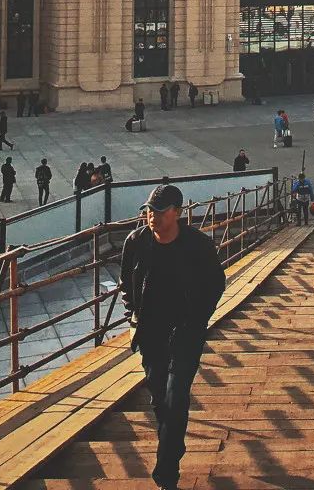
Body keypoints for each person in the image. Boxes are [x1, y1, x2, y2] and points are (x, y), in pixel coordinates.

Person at [120, 182, 226, 490]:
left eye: (159, 212)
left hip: (186, 332)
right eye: (149, 211)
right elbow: (127, 282)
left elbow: (215, 284)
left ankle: (166, 473)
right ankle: (174, 443)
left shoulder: (198, 245)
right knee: (160, 400)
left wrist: (198, 320)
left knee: (177, 395)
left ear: (177, 214)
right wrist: (133, 315)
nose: (151, 217)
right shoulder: (136, 242)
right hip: (150, 332)